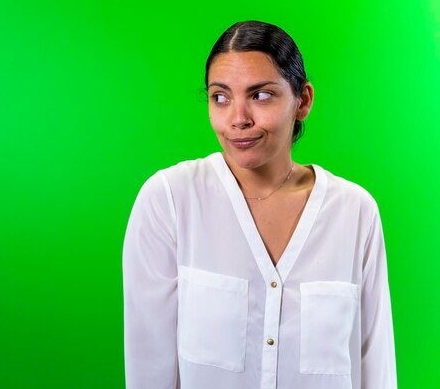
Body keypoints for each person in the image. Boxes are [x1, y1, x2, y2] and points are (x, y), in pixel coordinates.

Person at [122, 20, 397, 389]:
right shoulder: (170, 201)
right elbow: (148, 363)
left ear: (302, 101)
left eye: (261, 95)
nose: (238, 119)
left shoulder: (355, 211)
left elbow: (375, 363)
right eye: (220, 97)